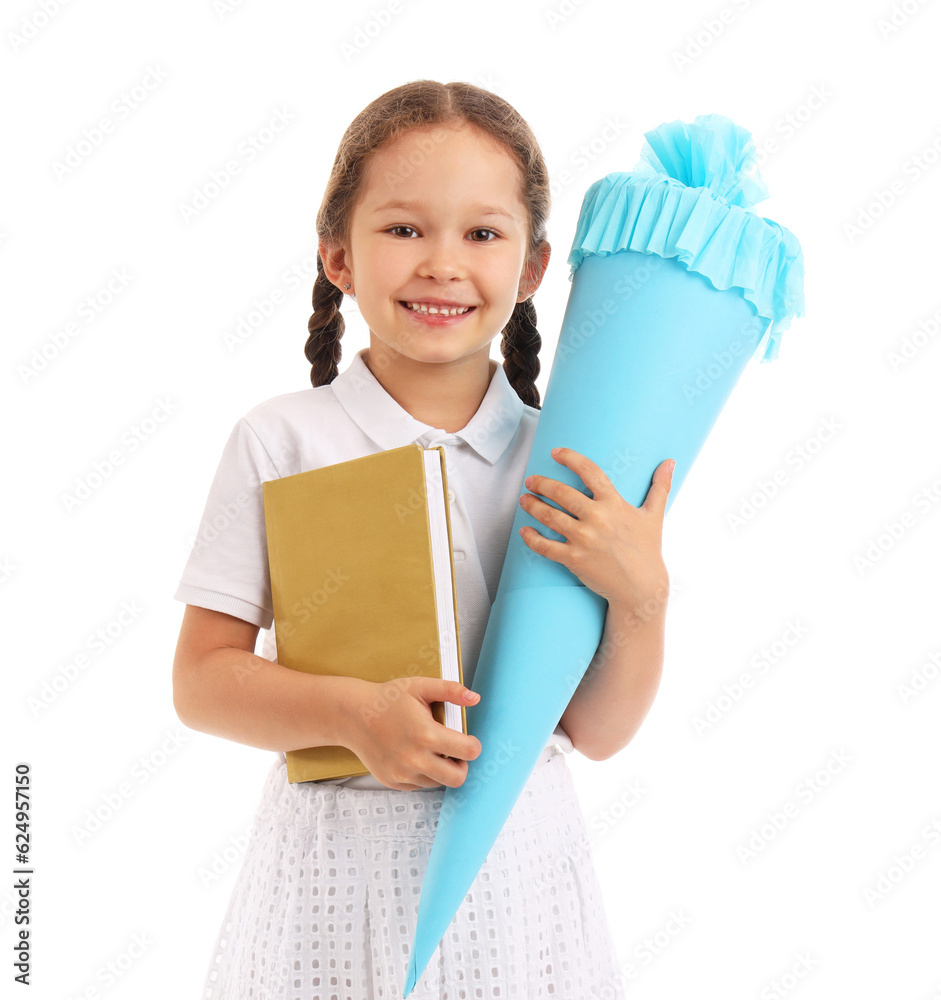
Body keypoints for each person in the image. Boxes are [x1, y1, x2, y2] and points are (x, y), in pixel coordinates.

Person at [172, 78, 673, 999]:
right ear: (337, 257)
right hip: (329, 867)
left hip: (519, 870)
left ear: (530, 269)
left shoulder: (564, 460)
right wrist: (352, 717)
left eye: (482, 234)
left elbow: (594, 731)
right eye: (403, 229)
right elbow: (202, 681)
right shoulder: (282, 440)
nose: (442, 264)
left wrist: (642, 595)